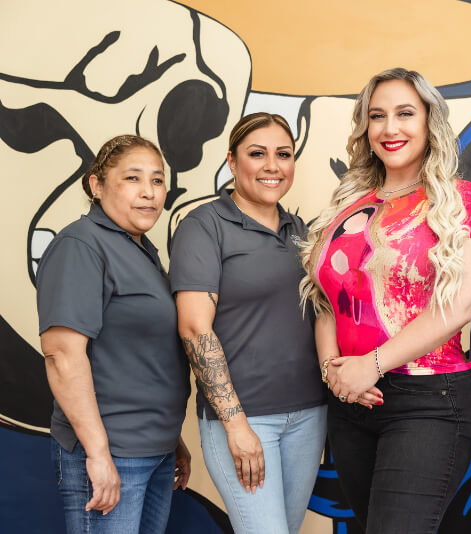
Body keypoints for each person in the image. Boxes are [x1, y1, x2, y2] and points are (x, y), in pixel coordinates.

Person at [299, 67, 471, 533]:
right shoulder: (347, 205)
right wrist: (334, 371)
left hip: (431, 400)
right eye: (377, 116)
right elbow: (327, 299)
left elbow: (460, 306)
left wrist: (373, 363)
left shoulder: (461, 200)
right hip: (353, 399)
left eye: (405, 113)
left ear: (430, 122)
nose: (390, 128)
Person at [170, 112, 327, 534]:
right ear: (232, 161)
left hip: (309, 415)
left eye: (283, 154)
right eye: (257, 154)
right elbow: (194, 329)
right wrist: (236, 426)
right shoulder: (205, 226)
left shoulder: (302, 232)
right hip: (244, 418)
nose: (272, 166)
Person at [36, 135, 191, 534]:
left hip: (154, 450)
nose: (149, 193)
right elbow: (61, 354)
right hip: (112, 452)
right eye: (133, 179)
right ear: (96, 185)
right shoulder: (81, 244)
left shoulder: (142, 250)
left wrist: (171, 439)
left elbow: (141, 354)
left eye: (158, 181)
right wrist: (98, 453)